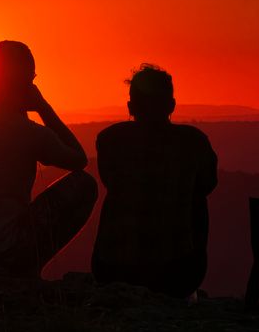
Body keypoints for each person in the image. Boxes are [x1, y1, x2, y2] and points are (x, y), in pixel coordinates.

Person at [0, 40, 97, 277]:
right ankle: (23, 273)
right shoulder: (28, 132)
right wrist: (43, 107)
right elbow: (78, 160)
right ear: (27, 83)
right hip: (1, 252)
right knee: (84, 185)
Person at [91, 64, 218, 298]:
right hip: (175, 276)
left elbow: (110, 181)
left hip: (111, 270)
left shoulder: (109, 140)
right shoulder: (194, 142)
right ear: (171, 105)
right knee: (197, 200)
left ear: (130, 106)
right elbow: (208, 184)